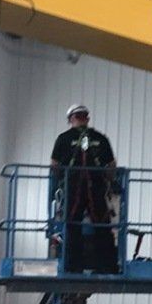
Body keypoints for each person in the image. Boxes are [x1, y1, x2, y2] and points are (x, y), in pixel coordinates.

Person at [50, 102, 119, 272]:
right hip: (95, 187)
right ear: (87, 118)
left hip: (73, 187)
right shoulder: (100, 138)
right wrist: (109, 181)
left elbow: (54, 165)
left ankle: (73, 266)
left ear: (71, 119)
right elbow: (111, 166)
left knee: (72, 225)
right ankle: (106, 266)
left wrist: (59, 183)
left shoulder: (63, 138)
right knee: (101, 224)